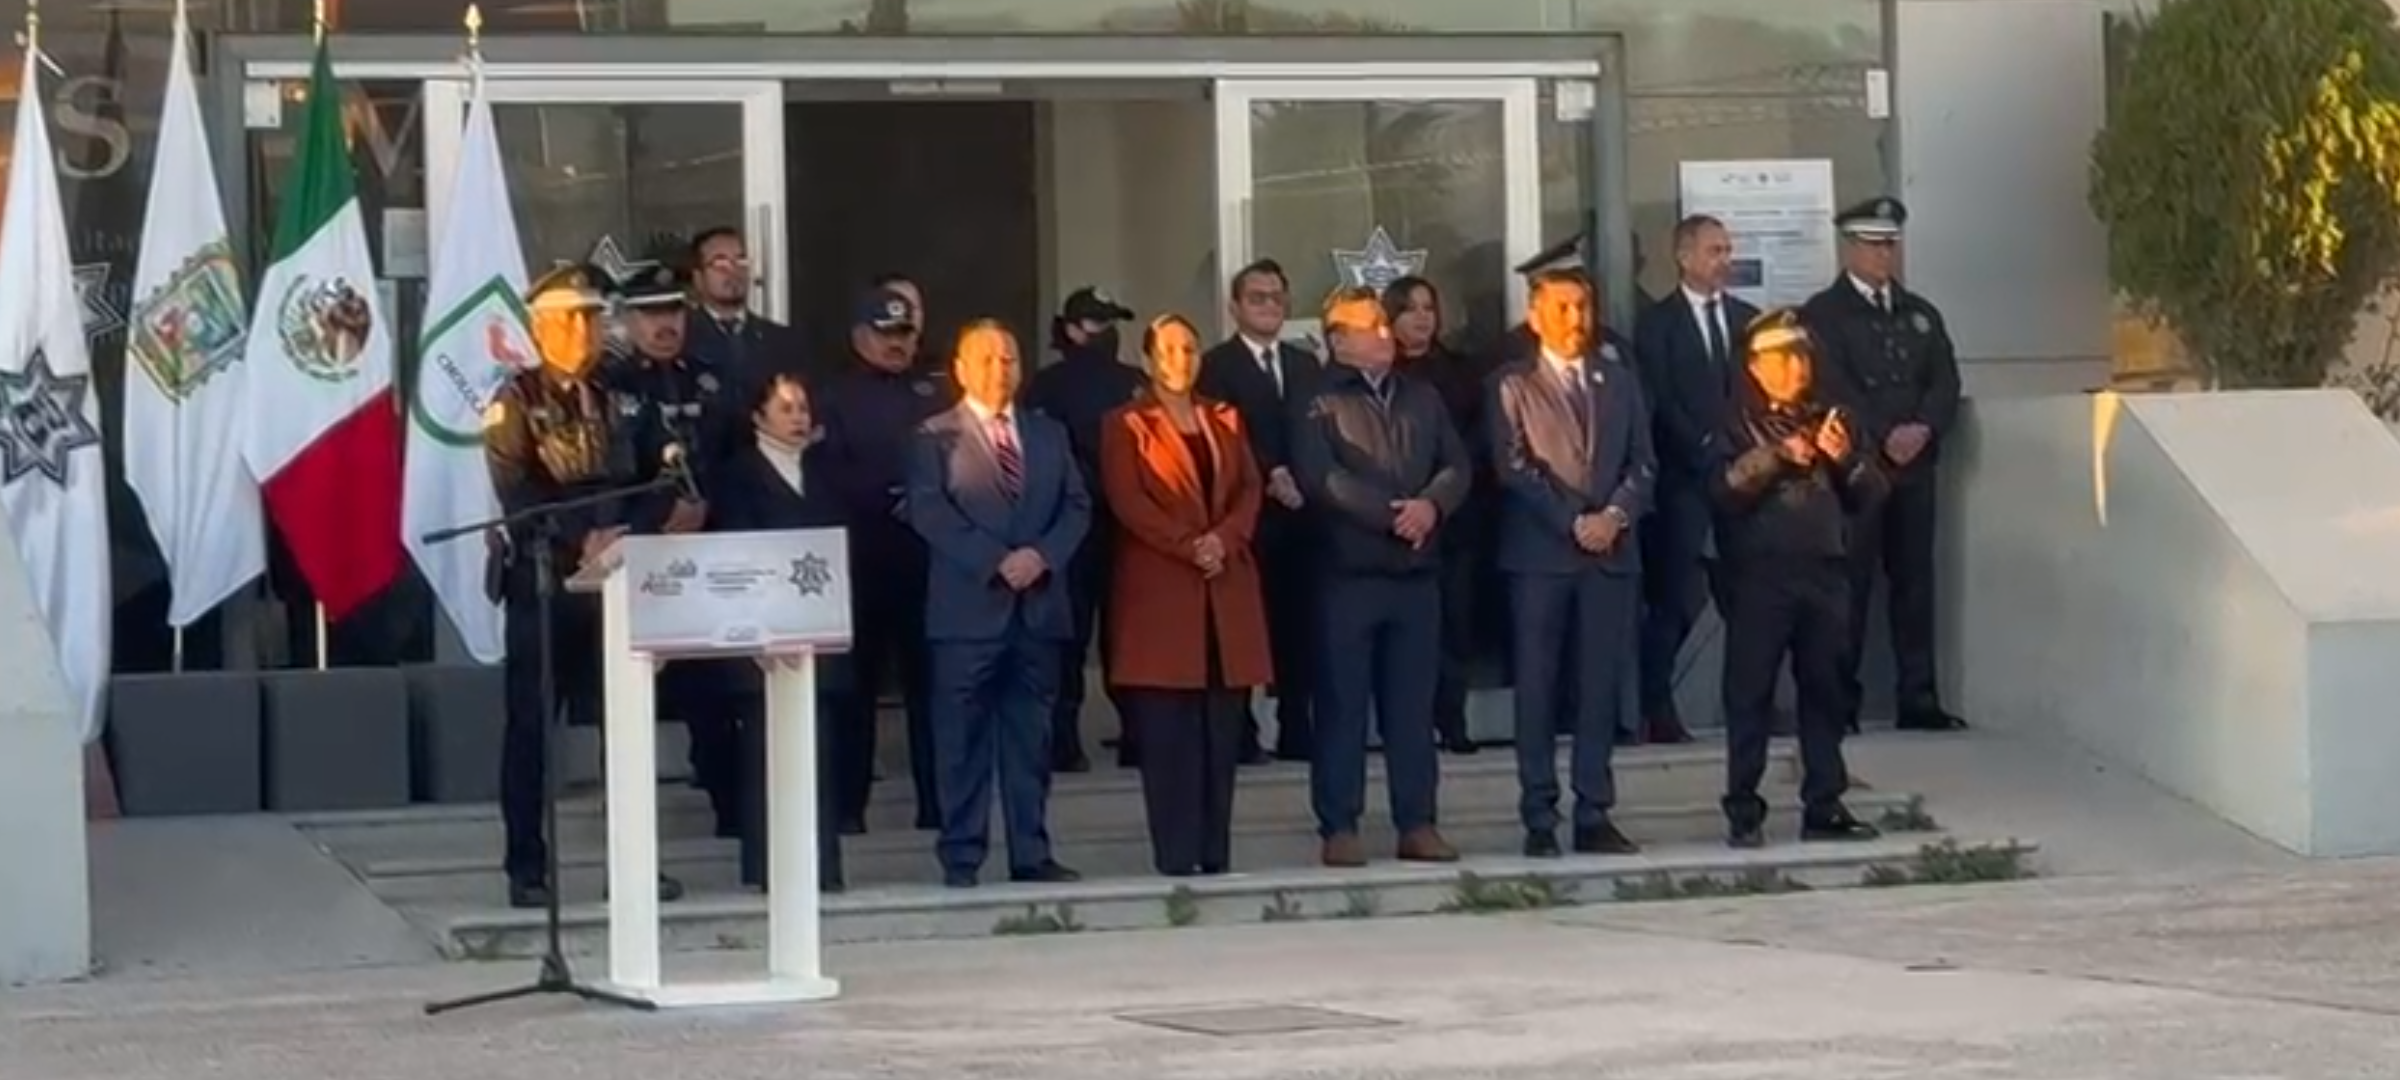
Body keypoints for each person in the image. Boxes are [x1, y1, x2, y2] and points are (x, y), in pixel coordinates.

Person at [483, 263, 684, 910]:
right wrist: (582, 538)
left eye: (593, 317)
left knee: (626, 728)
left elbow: (663, 474)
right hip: (545, 583)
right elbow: (517, 490)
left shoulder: (625, 393)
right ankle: (526, 867)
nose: (586, 330)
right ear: (540, 328)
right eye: (571, 319)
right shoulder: (514, 400)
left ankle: (634, 864)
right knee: (532, 729)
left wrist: (629, 531)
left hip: (619, 580)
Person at [906, 319, 1092, 888]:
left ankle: (1031, 852)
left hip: (1037, 611)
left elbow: (1077, 505)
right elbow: (929, 510)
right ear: (961, 369)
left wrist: (1041, 556)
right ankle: (962, 856)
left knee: (1031, 741)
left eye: (1008, 359)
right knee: (960, 743)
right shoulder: (933, 436)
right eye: (986, 359)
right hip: (967, 615)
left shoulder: (1048, 433)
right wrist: (995, 560)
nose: (1000, 370)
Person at [1291, 286, 1471, 868]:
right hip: (1349, 574)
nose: (1385, 335)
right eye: (1370, 327)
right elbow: (1323, 478)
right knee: (1342, 705)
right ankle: (1339, 824)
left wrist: (1431, 507)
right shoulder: (1317, 400)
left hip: (1416, 574)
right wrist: (1391, 516)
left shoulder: (1421, 395)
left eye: (1383, 325)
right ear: (1338, 340)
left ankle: (1417, 822)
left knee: (1412, 708)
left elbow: (1456, 463)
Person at [1487, 269, 1653, 859]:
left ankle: (1594, 810)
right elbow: (1513, 466)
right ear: (1535, 317)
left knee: (1598, 687)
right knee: (1537, 687)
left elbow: (1644, 464)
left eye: (1582, 306)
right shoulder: (1511, 384)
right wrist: (1573, 521)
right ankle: (1539, 813)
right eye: (1560, 308)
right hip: (1541, 559)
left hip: (1610, 557)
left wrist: (1614, 516)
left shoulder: (1620, 381)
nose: (1574, 318)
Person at [1099, 314, 1272, 877]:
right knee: (1169, 737)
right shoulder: (1126, 423)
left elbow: (1249, 488)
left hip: (1224, 588)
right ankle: (1175, 856)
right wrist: (1188, 545)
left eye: (1190, 349)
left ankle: (1214, 853)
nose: (1181, 360)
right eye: (1169, 350)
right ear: (1148, 359)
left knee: (1221, 733)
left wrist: (1223, 539)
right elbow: (1128, 500)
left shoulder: (1224, 417)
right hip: (1162, 595)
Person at [1710, 309, 1886, 847]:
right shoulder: (1735, 421)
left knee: (1825, 691)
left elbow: (1872, 492)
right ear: (1756, 366)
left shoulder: (1835, 417)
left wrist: (1844, 460)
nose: (1796, 369)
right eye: (1783, 359)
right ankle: (1744, 808)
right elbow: (1724, 492)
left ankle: (1825, 803)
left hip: (1825, 572)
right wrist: (1776, 457)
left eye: (1802, 357)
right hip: (1760, 576)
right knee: (1750, 694)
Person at [1801, 197, 1968, 733]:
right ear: (1849, 247)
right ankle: (1840, 701)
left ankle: (1918, 697)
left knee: (1915, 583)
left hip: (1914, 470)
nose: (1884, 255)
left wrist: (1924, 428)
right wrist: (1880, 435)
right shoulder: (1823, 314)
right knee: (1849, 585)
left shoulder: (1919, 313)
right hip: (1857, 470)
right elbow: (1830, 386)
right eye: (1873, 245)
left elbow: (1944, 381)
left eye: (1890, 245)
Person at [601, 261, 745, 839]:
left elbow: (735, 459)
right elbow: (609, 477)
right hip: (641, 561)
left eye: (673, 312)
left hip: (707, 557)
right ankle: (628, 827)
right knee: (630, 695)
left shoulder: (710, 379)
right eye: (651, 314)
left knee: (714, 691)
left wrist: (708, 507)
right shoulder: (610, 384)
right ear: (628, 321)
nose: (665, 325)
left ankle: (732, 811)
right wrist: (657, 518)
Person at [815, 288, 955, 834]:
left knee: (933, 690)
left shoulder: (938, 391)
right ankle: (849, 808)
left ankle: (937, 803)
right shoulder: (833, 396)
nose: (895, 344)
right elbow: (827, 472)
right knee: (855, 690)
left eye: (903, 334)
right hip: (863, 558)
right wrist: (891, 498)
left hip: (928, 560)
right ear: (860, 337)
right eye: (884, 334)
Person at [706, 372, 850, 893]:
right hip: (760, 636)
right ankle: (768, 867)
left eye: (803, 408)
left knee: (820, 754)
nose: (798, 418)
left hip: (817, 633)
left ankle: (822, 867)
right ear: (758, 416)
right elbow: (735, 554)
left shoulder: (826, 472)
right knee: (764, 755)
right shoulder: (737, 477)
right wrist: (757, 629)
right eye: (786, 408)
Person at [1634, 215, 1759, 745]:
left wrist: (1746, 456)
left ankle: (1752, 708)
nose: (1724, 260)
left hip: (1744, 480)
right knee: (1675, 598)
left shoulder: (1747, 320)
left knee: (1749, 599)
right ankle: (1656, 707)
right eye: (1714, 250)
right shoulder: (1656, 324)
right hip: (1683, 481)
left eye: (1727, 250)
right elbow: (1658, 399)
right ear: (1683, 257)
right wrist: (1704, 448)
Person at [1196, 259, 1322, 765]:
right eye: (1257, 298)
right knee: (1244, 627)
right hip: (1244, 515)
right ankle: (1242, 733)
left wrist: (1304, 476)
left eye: (1276, 296)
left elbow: (1319, 430)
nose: (1269, 306)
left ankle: (1296, 727)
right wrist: (1270, 473)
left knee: (1300, 623)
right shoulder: (1216, 365)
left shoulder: (1305, 364)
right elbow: (1221, 434)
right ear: (1235, 307)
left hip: (1303, 517)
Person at [1022, 286, 1144, 773]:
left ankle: (1135, 733)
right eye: (1096, 323)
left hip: (1127, 526)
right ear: (1071, 329)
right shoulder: (1047, 387)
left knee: (1127, 631)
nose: (1106, 333)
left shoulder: (1135, 382)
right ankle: (1063, 739)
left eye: (1111, 323)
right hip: (1070, 527)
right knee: (1069, 635)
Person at [1386, 275, 1488, 755]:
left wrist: (1441, 493)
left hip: (1454, 519)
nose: (1422, 317)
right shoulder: (1380, 373)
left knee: (1455, 623)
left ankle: (1452, 718)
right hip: (1393, 520)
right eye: (1410, 309)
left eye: (1428, 307)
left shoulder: (1460, 371)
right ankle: (1403, 723)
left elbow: (1476, 441)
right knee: (1406, 631)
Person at [682, 226, 812, 391]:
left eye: (741, 261)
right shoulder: (682, 339)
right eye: (720, 264)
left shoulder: (783, 340)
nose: (734, 271)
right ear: (698, 277)